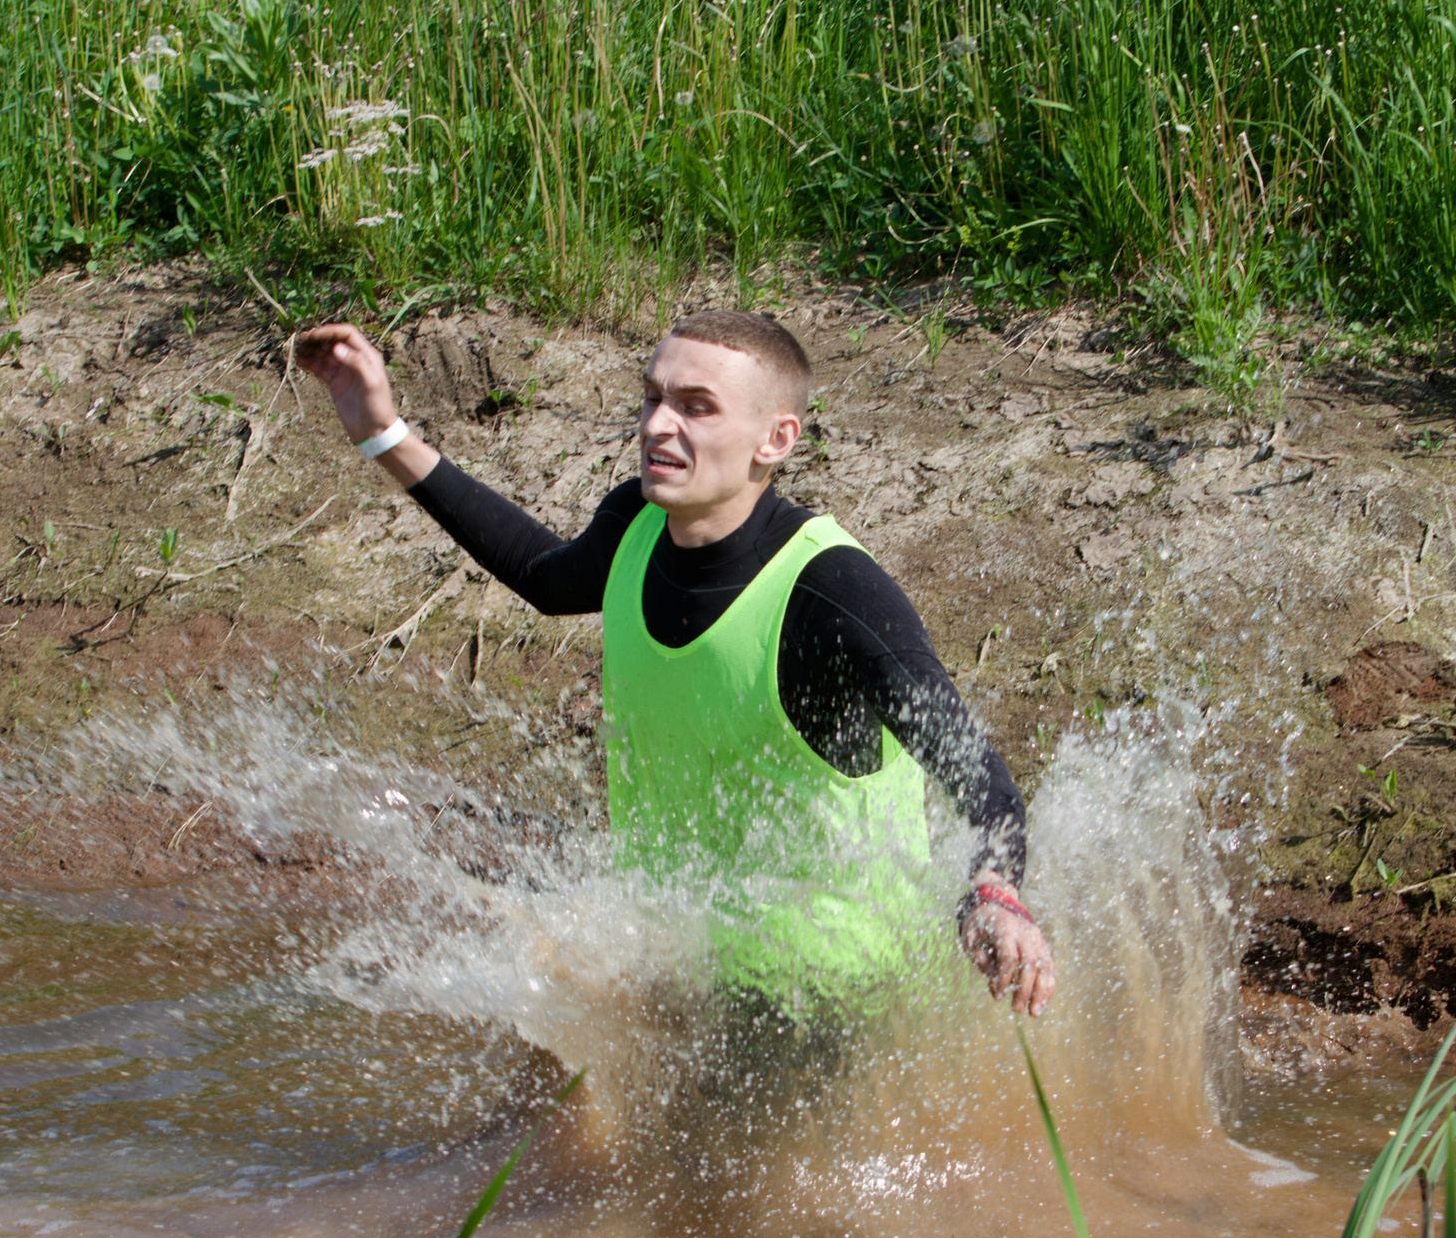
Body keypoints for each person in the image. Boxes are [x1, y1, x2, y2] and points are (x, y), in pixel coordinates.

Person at [293, 310, 1054, 1020]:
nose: (658, 424)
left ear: (776, 438)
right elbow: (545, 575)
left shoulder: (833, 591)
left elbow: (979, 776)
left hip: (822, 991)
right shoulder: (636, 521)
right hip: (675, 960)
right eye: (652, 398)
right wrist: (382, 431)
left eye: (696, 406)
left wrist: (993, 893)